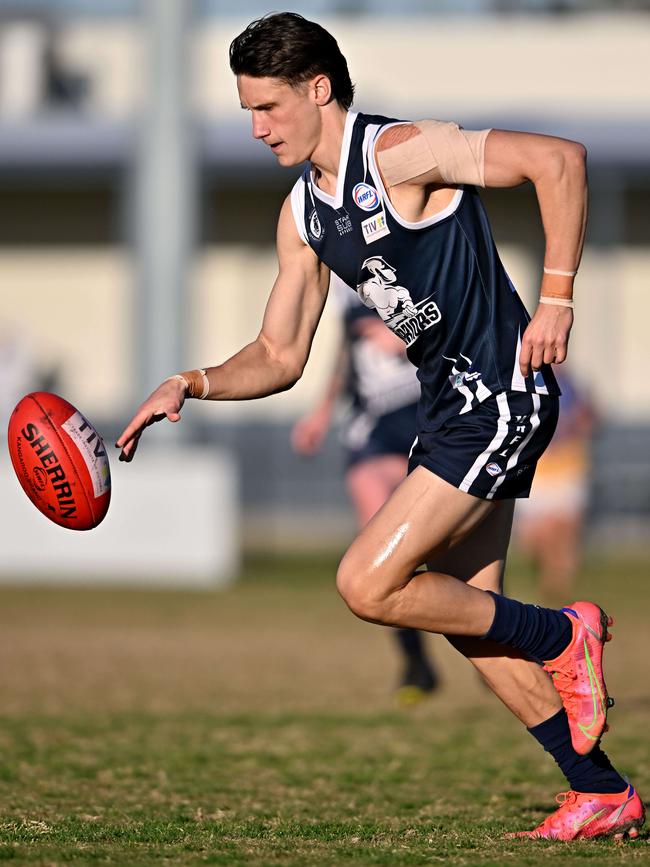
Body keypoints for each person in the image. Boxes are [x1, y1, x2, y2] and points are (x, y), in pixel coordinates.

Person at [117, 13, 644, 840]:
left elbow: (559, 162)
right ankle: (602, 790)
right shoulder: (303, 215)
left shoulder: (399, 152)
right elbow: (280, 352)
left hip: (501, 397)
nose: (256, 128)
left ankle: (565, 631)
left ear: (317, 89)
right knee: (468, 614)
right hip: (450, 413)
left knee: (367, 583)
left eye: (268, 108)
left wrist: (556, 299)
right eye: (248, 110)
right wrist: (191, 382)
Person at [291, 275, 439, 704]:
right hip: (369, 425)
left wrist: (410, 340)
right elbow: (347, 352)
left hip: (420, 414)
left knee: (442, 552)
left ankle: (495, 647)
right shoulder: (339, 273)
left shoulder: (410, 250)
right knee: (383, 555)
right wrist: (321, 413)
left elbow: (456, 322)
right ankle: (415, 662)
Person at [516, 366, 596, 603]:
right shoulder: (523, 380)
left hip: (567, 464)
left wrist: (576, 425)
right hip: (537, 466)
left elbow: (589, 417)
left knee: (564, 533)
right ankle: (551, 577)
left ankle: (558, 588)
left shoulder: (572, 384)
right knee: (533, 537)